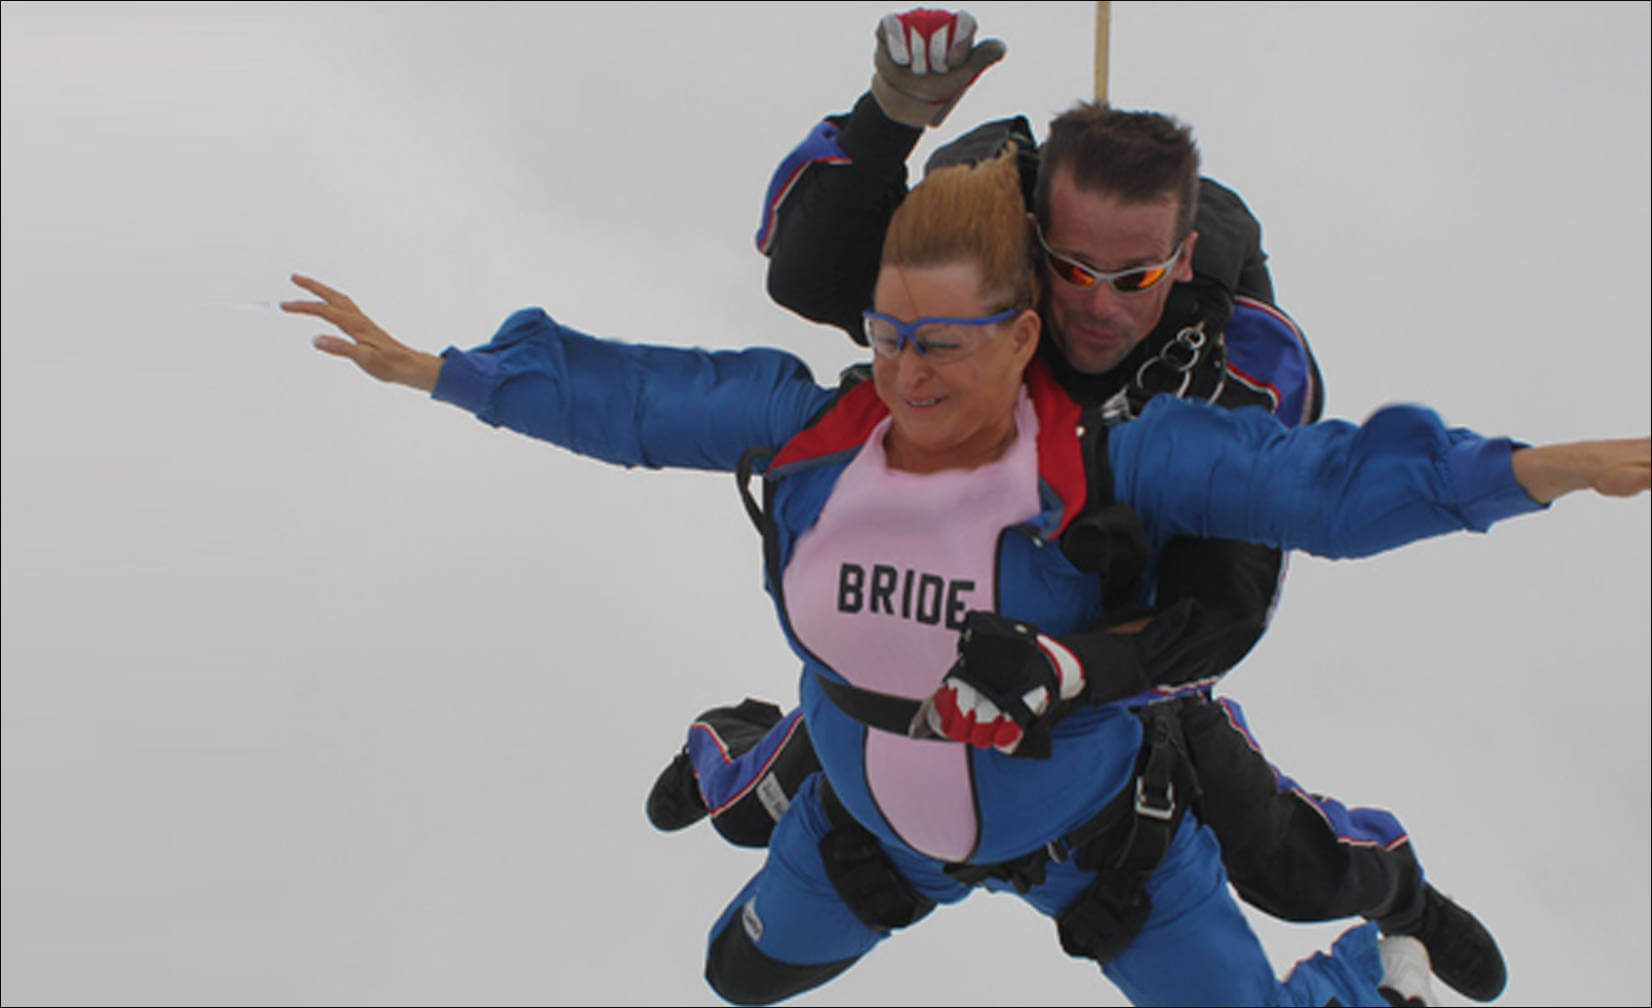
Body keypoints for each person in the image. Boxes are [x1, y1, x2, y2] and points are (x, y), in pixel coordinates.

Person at [280, 150, 1648, 1005]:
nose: (908, 380)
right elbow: (626, 399)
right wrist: (441, 371)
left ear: (1026, 336)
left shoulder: (1123, 457)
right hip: (873, 818)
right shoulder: (816, 427)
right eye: (888, 339)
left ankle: (1376, 954)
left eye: (949, 345)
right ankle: (741, 749)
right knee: (739, 978)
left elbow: (1327, 489)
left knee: (1285, 872)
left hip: (1104, 829)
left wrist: (1544, 468)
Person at [647, 10, 1504, 1001]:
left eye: (1130, 279)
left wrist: (1074, 666)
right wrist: (887, 116)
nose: (1095, 306)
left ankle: (1398, 913)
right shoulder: (975, 278)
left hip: (1108, 699)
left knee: (1284, 864)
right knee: (747, 868)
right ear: (1029, 241)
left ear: (1181, 261)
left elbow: (1223, 602)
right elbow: (806, 267)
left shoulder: (1231, 373)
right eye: (1068, 269)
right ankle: (742, 739)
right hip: (908, 659)